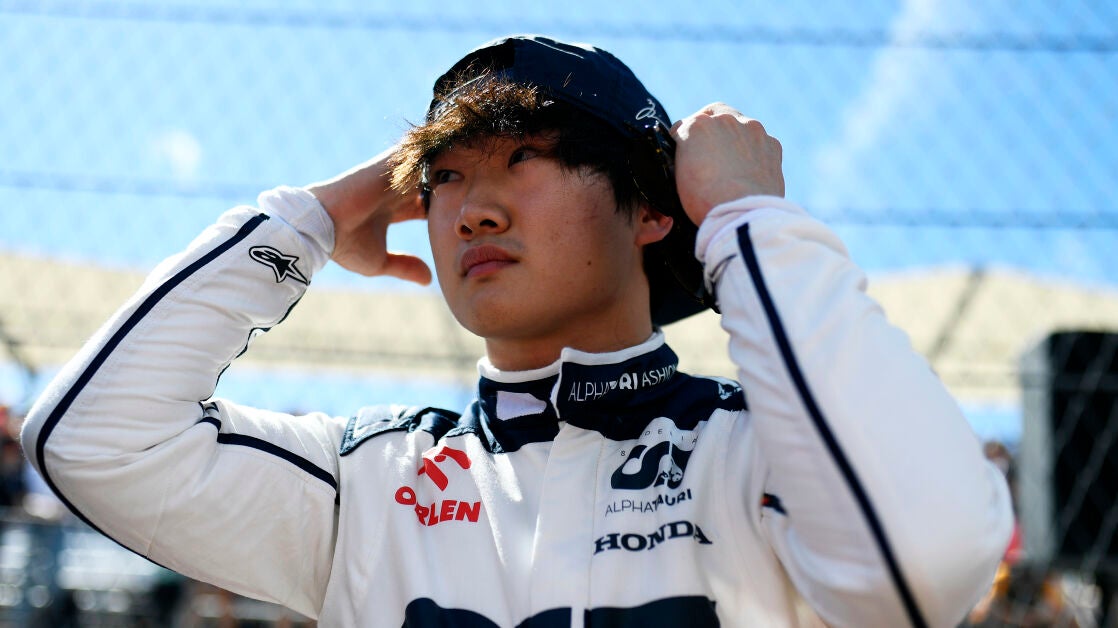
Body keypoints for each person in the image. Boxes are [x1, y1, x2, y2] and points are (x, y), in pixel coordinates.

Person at [21, 35, 1013, 627]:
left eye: (525, 159)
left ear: (651, 209)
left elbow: (921, 569)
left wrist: (746, 221)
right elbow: (90, 440)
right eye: (445, 176)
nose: (471, 210)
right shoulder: (370, 478)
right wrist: (320, 214)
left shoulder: (761, 456)